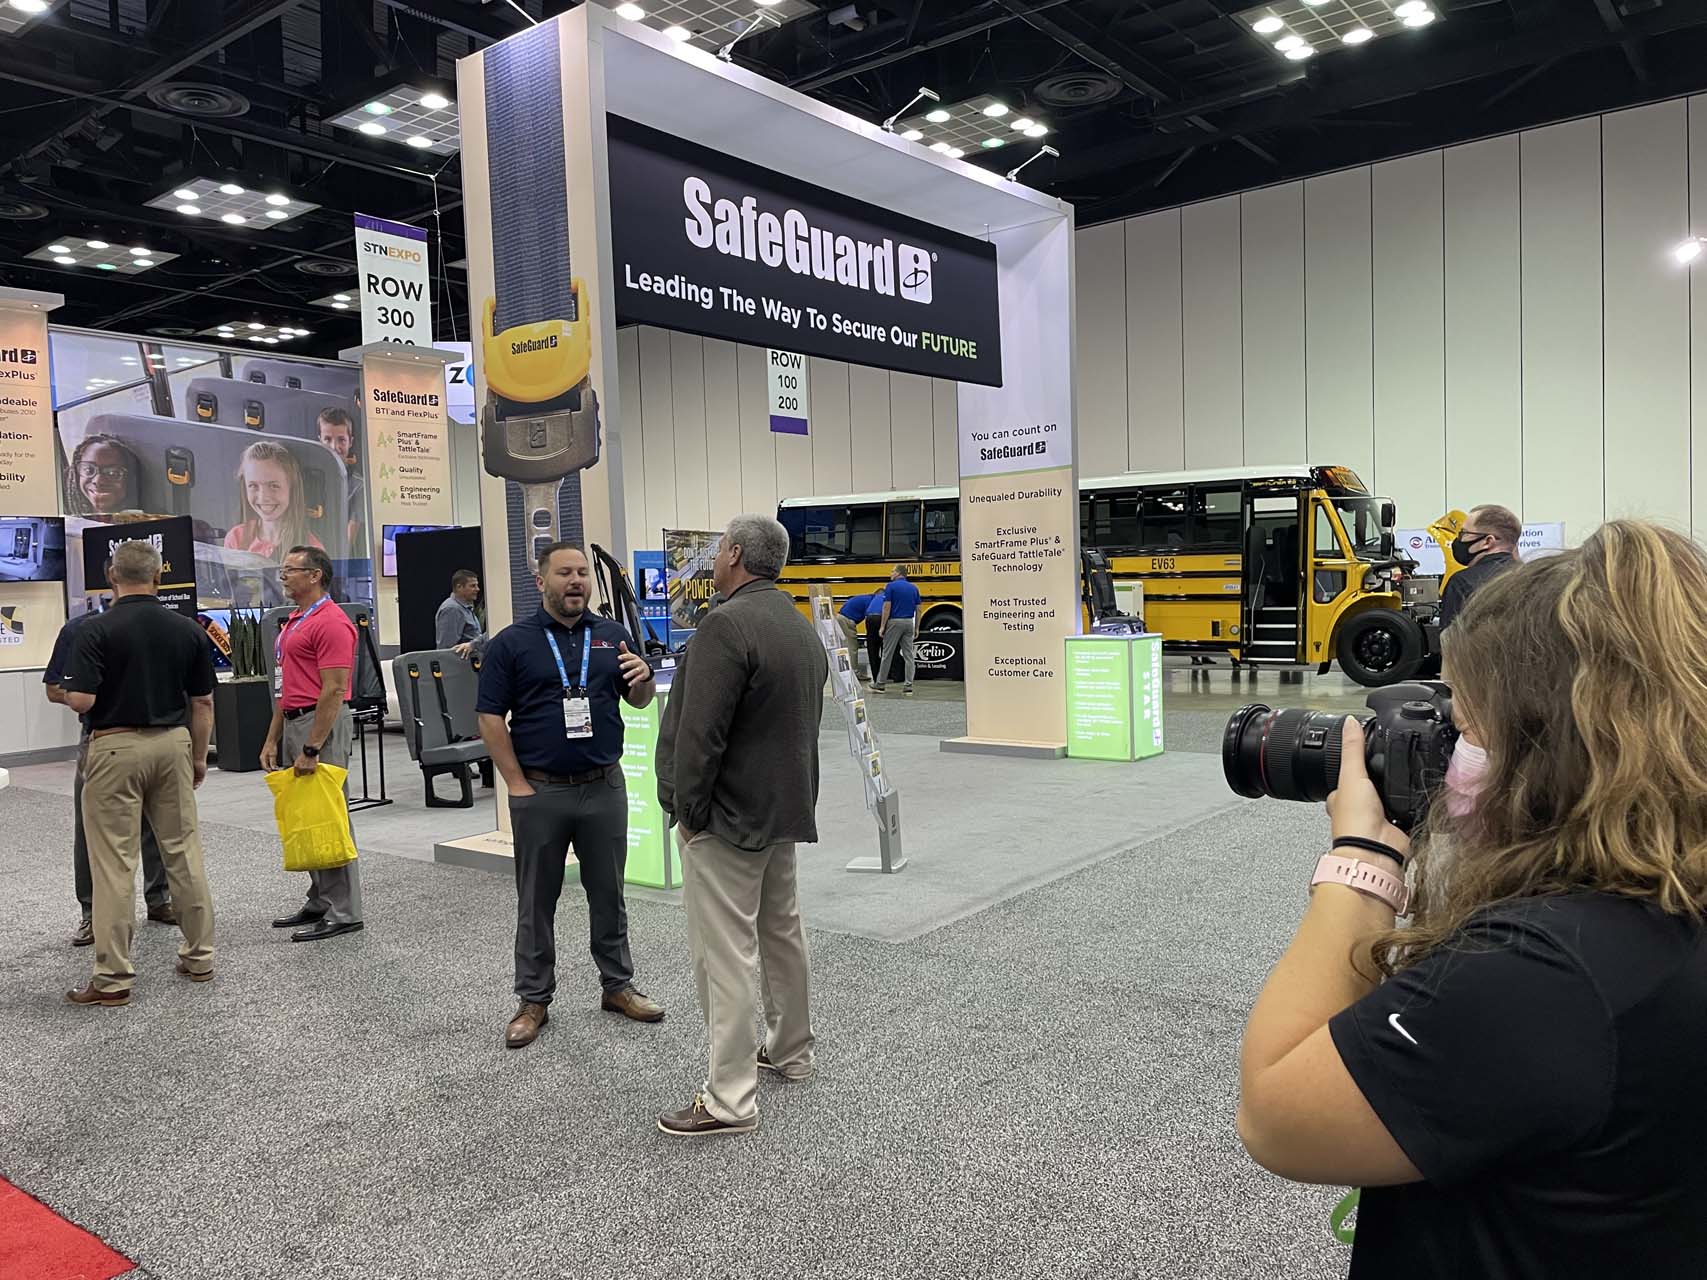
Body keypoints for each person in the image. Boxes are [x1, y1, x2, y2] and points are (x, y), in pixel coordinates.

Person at [1237, 519, 1707, 1278]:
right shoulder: (1667, 902)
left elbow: (1277, 1116)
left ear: (1546, 749)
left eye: (1464, 729)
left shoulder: (1549, 975)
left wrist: (1363, 859)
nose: (1454, 755)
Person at [655, 515, 828, 1137]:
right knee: (782, 935)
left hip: (727, 820)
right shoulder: (798, 626)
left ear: (732, 554)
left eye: (718, 550)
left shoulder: (725, 625)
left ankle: (729, 1099)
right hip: (783, 812)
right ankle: (791, 1051)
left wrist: (689, 811)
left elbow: (699, 734)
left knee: (724, 955)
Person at [476, 542, 665, 1050]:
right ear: (542, 582)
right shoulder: (512, 643)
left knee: (609, 894)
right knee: (537, 900)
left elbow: (639, 700)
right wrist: (516, 784)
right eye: (564, 572)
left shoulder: (612, 636)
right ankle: (533, 999)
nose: (576, 580)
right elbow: (489, 717)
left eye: (582, 572)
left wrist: (645, 678)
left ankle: (617, 986)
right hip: (541, 791)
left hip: (603, 787)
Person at [56, 540, 216, 1005]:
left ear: (112, 576)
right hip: (173, 745)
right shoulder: (186, 629)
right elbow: (203, 702)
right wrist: (199, 758)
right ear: (158, 577)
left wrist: (68, 691)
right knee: (183, 852)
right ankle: (200, 957)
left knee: (113, 864)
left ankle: (113, 979)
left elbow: (81, 700)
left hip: (114, 747)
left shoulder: (94, 630)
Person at [43, 608, 175, 946]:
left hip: (155, 734)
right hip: (99, 737)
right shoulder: (79, 629)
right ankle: (92, 913)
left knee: (156, 822)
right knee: (90, 828)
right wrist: (98, 695)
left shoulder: (159, 625)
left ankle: (159, 899)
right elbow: (54, 688)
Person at [260, 545, 362, 942]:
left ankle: (344, 911)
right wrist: (273, 737)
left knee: (329, 816)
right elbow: (285, 687)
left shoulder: (332, 622)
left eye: (291, 570)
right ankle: (320, 899)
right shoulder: (295, 620)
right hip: (294, 722)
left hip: (320, 726)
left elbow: (334, 690)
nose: (283, 576)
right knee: (306, 815)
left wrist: (312, 747)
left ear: (315, 575)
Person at [223, 441, 323, 562]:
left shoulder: (312, 551)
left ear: (292, 488)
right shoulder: (236, 538)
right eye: (253, 486)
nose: (263, 497)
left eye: (274, 486)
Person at [1437, 503, 1519, 629]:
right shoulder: (1534, 577)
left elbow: (1449, 638)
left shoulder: (1462, 583)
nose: (1458, 539)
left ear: (1487, 541)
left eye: (1463, 533)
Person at [316, 408, 365, 552]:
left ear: (350, 442)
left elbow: (348, 540)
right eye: (327, 439)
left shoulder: (358, 486)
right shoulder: (308, 479)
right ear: (319, 440)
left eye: (341, 440)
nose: (334, 447)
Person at [63, 435, 142, 520]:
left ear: (129, 479)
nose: (98, 481)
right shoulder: (69, 520)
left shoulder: (139, 521)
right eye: (89, 470)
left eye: (112, 473)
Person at [871, 565, 920, 696]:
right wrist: (916, 627)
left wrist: (882, 626)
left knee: (887, 654)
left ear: (898, 573)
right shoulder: (914, 588)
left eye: (892, 571)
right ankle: (908, 686)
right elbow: (918, 609)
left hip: (895, 622)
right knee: (909, 655)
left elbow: (887, 607)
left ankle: (880, 684)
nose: (890, 573)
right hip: (909, 622)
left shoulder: (891, 586)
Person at [435, 568, 486, 660]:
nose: (477, 589)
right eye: (473, 586)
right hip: (459, 666)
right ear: (459, 587)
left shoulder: (466, 608)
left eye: (477, 585)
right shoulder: (452, 609)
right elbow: (446, 650)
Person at [836, 591, 879, 677]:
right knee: (852, 647)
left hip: (841, 617)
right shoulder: (872, 601)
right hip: (847, 620)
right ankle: (854, 673)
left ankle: (848, 672)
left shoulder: (865, 598)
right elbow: (870, 616)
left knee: (847, 646)